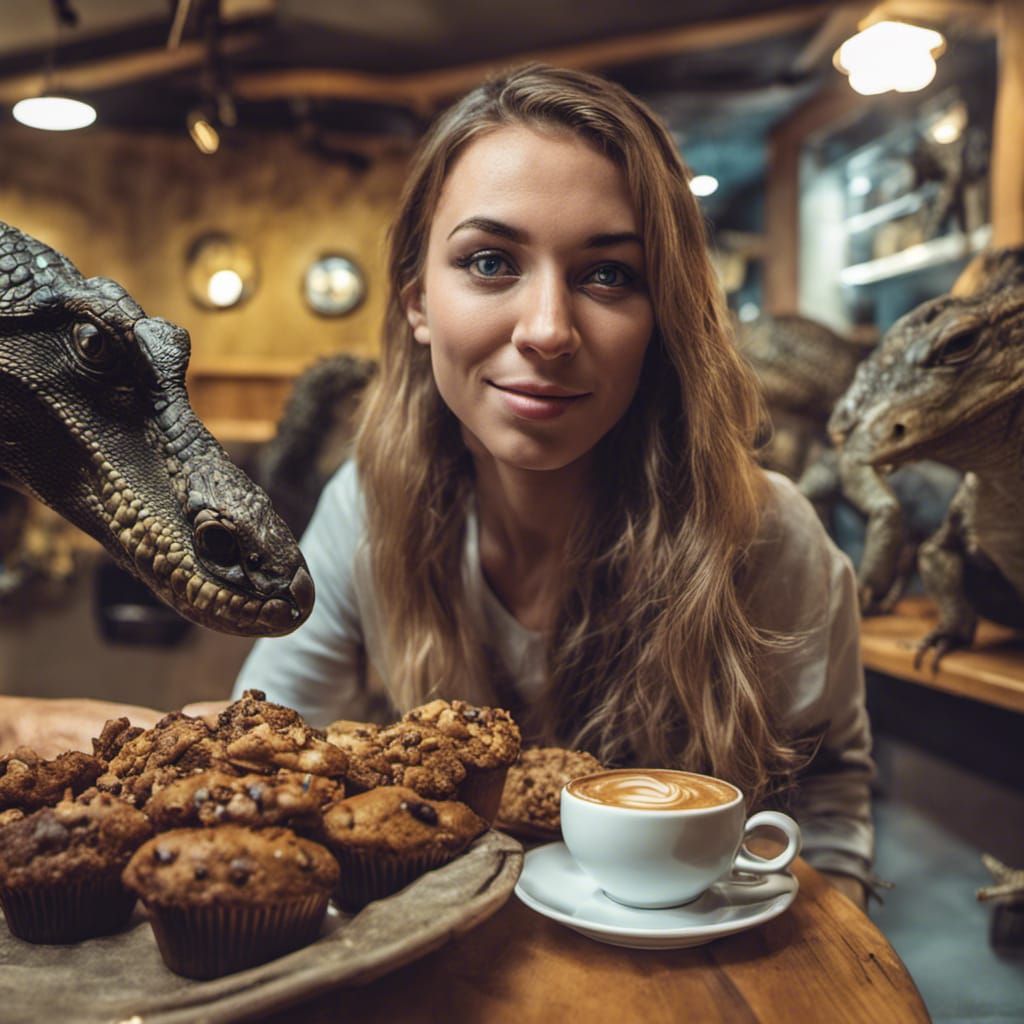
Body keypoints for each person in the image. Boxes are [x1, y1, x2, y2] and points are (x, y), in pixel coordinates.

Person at [1, 65, 874, 908]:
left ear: (664, 313)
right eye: (491, 262)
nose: (547, 330)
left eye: (609, 273)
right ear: (419, 302)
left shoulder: (769, 535)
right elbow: (253, 751)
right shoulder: (368, 509)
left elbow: (827, 799)